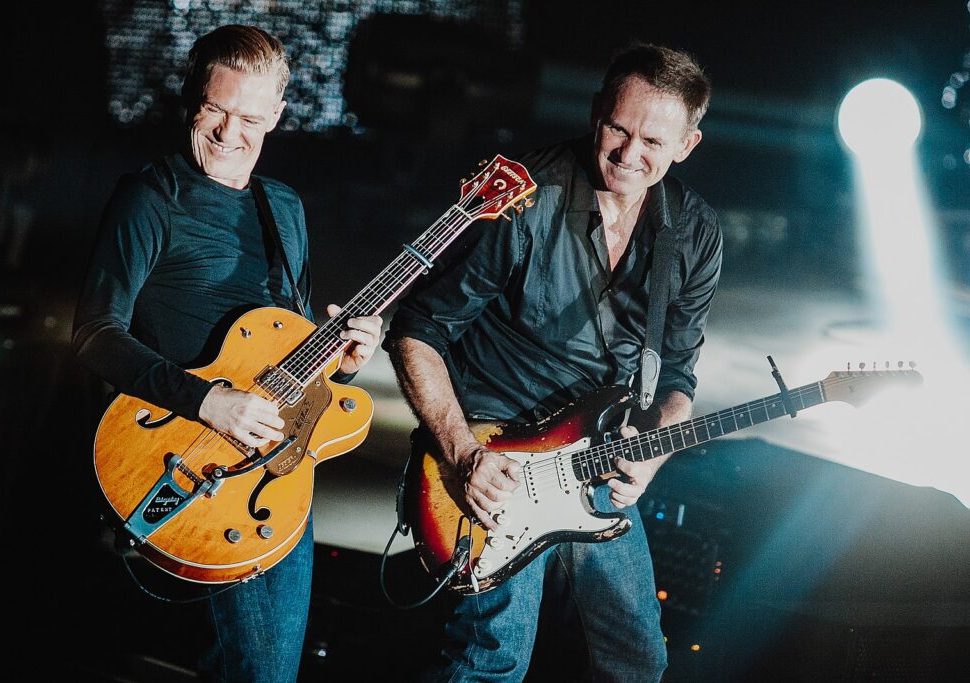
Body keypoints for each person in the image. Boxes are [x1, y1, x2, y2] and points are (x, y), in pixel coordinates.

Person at [385, 43, 722, 682]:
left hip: (591, 460)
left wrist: (654, 449)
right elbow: (416, 330)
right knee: (492, 659)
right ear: (596, 112)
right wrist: (461, 453)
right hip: (494, 453)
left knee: (637, 659)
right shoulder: (524, 197)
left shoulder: (694, 232)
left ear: (688, 145)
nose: (628, 154)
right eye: (617, 129)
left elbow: (676, 376)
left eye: (653, 141)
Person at [73, 25, 382, 683]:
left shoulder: (285, 208)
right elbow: (95, 335)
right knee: (261, 671)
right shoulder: (151, 198)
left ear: (275, 116)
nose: (227, 131)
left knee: (263, 671)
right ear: (191, 100)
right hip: (190, 459)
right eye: (215, 109)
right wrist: (208, 400)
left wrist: (345, 355)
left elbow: (290, 347)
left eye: (248, 116)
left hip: (277, 477)